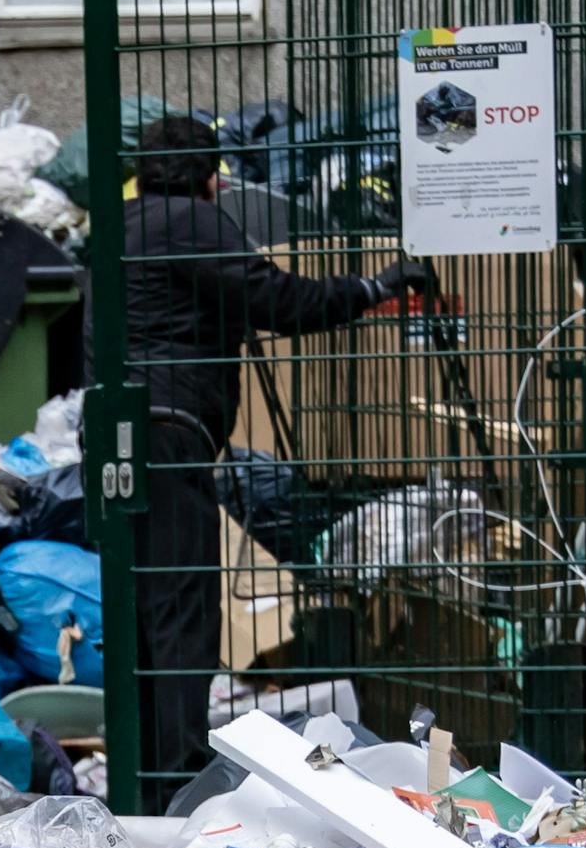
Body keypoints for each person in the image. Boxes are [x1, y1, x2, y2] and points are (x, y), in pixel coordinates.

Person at [122, 113, 434, 810]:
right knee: (184, 617)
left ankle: (141, 777)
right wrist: (374, 287)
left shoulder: (117, 227)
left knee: (141, 611)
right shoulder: (192, 221)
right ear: (209, 175)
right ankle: (175, 788)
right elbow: (279, 301)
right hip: (170, 436)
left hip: (117, 440)